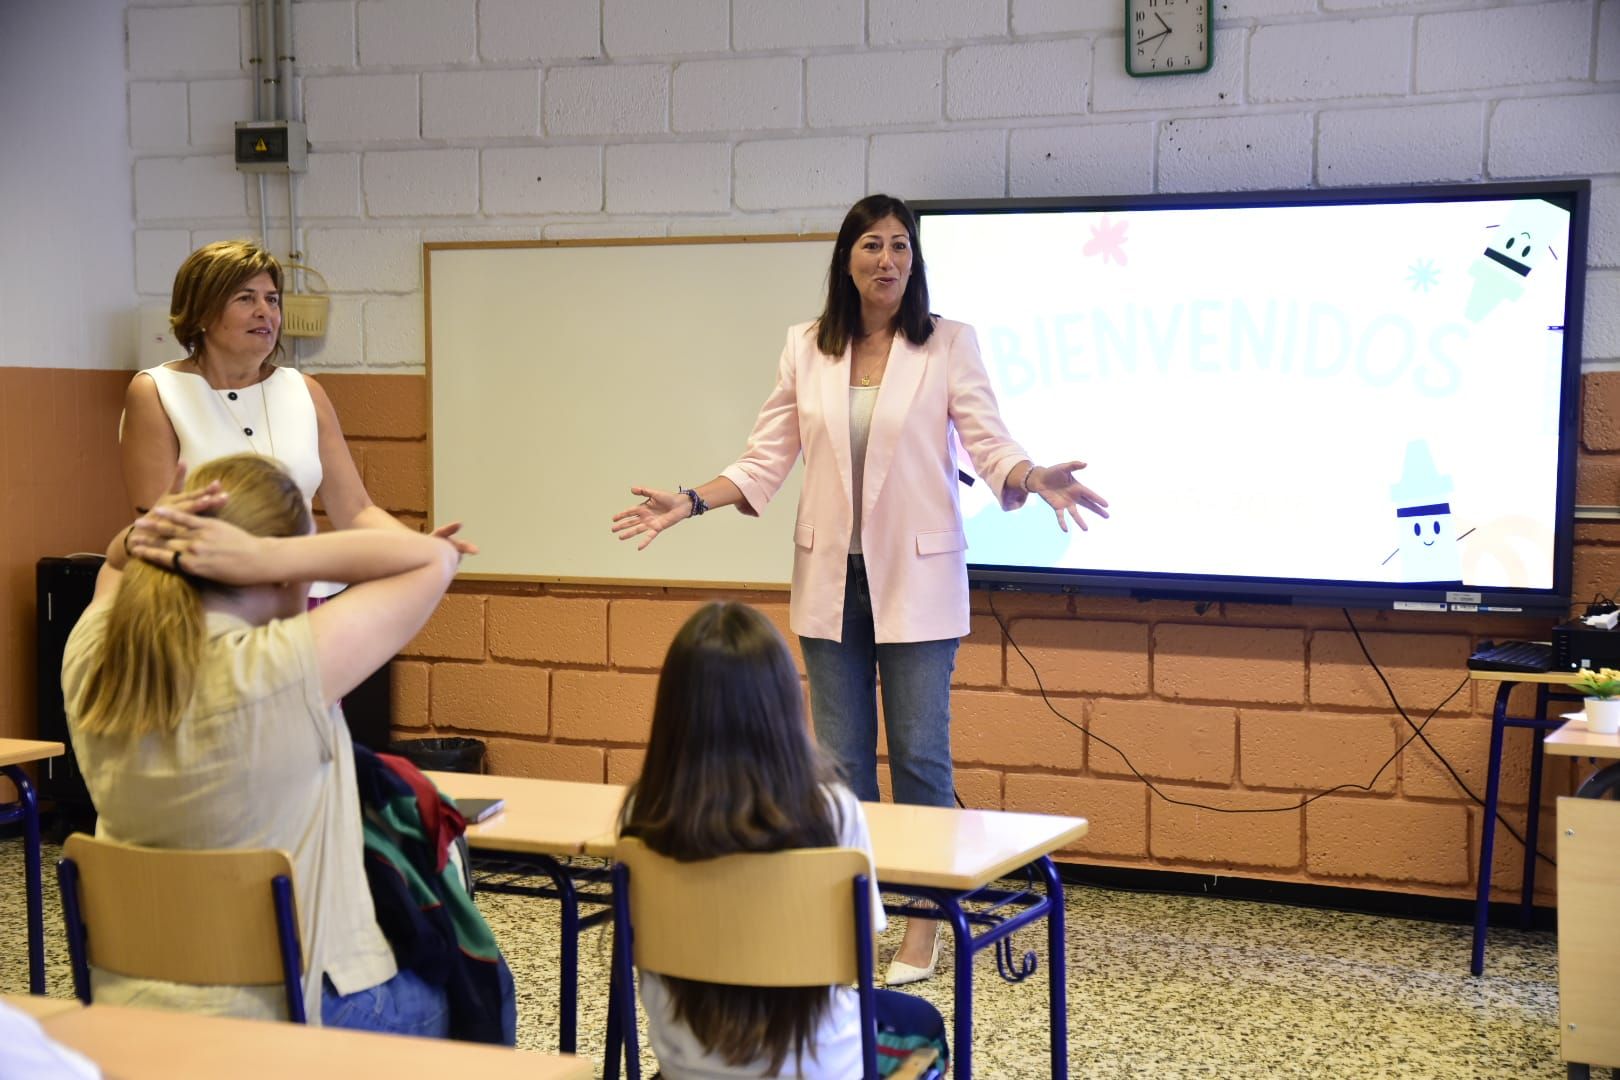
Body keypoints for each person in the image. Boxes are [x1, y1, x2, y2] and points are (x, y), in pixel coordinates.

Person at [613, 193, 1108, 984]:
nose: (889, 260)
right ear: (846, 258)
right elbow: (766, 457)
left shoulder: (949, 344)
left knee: (920, 759)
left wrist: (1028, 475)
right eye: (873, 245)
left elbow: (987, 440)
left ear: (915, 263)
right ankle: (848, 916)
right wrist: (691, 499)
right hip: (829, 577)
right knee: (839, 764)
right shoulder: (807, 347)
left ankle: (922, 926)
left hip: (919, 574)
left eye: (902, 248)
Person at [61, 454, 461, 1033]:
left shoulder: (94, 653)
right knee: (473, 986)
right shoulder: (277, 668)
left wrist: (161, 529)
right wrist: (269, 555)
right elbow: (435, 555)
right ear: (272, 571)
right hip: (291, 1013)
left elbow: (120, 561)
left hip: (130, 1004)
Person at [620, 601, 948, 1079]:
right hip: (820, 1067)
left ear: (672, 706)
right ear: (782, 702)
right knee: (924, 1023)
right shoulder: (833, 810)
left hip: (684, 1069)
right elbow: (855, 953)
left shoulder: (642, 811)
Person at [118, 239, 471, 586]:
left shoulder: (304, 390)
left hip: (307, 593)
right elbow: (157, 529)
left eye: (272, 299)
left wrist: (423, 549)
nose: (265, 312)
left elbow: (356, 510)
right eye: (246, 298)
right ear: (203, 313)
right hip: (211, 601)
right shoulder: (157, 391)